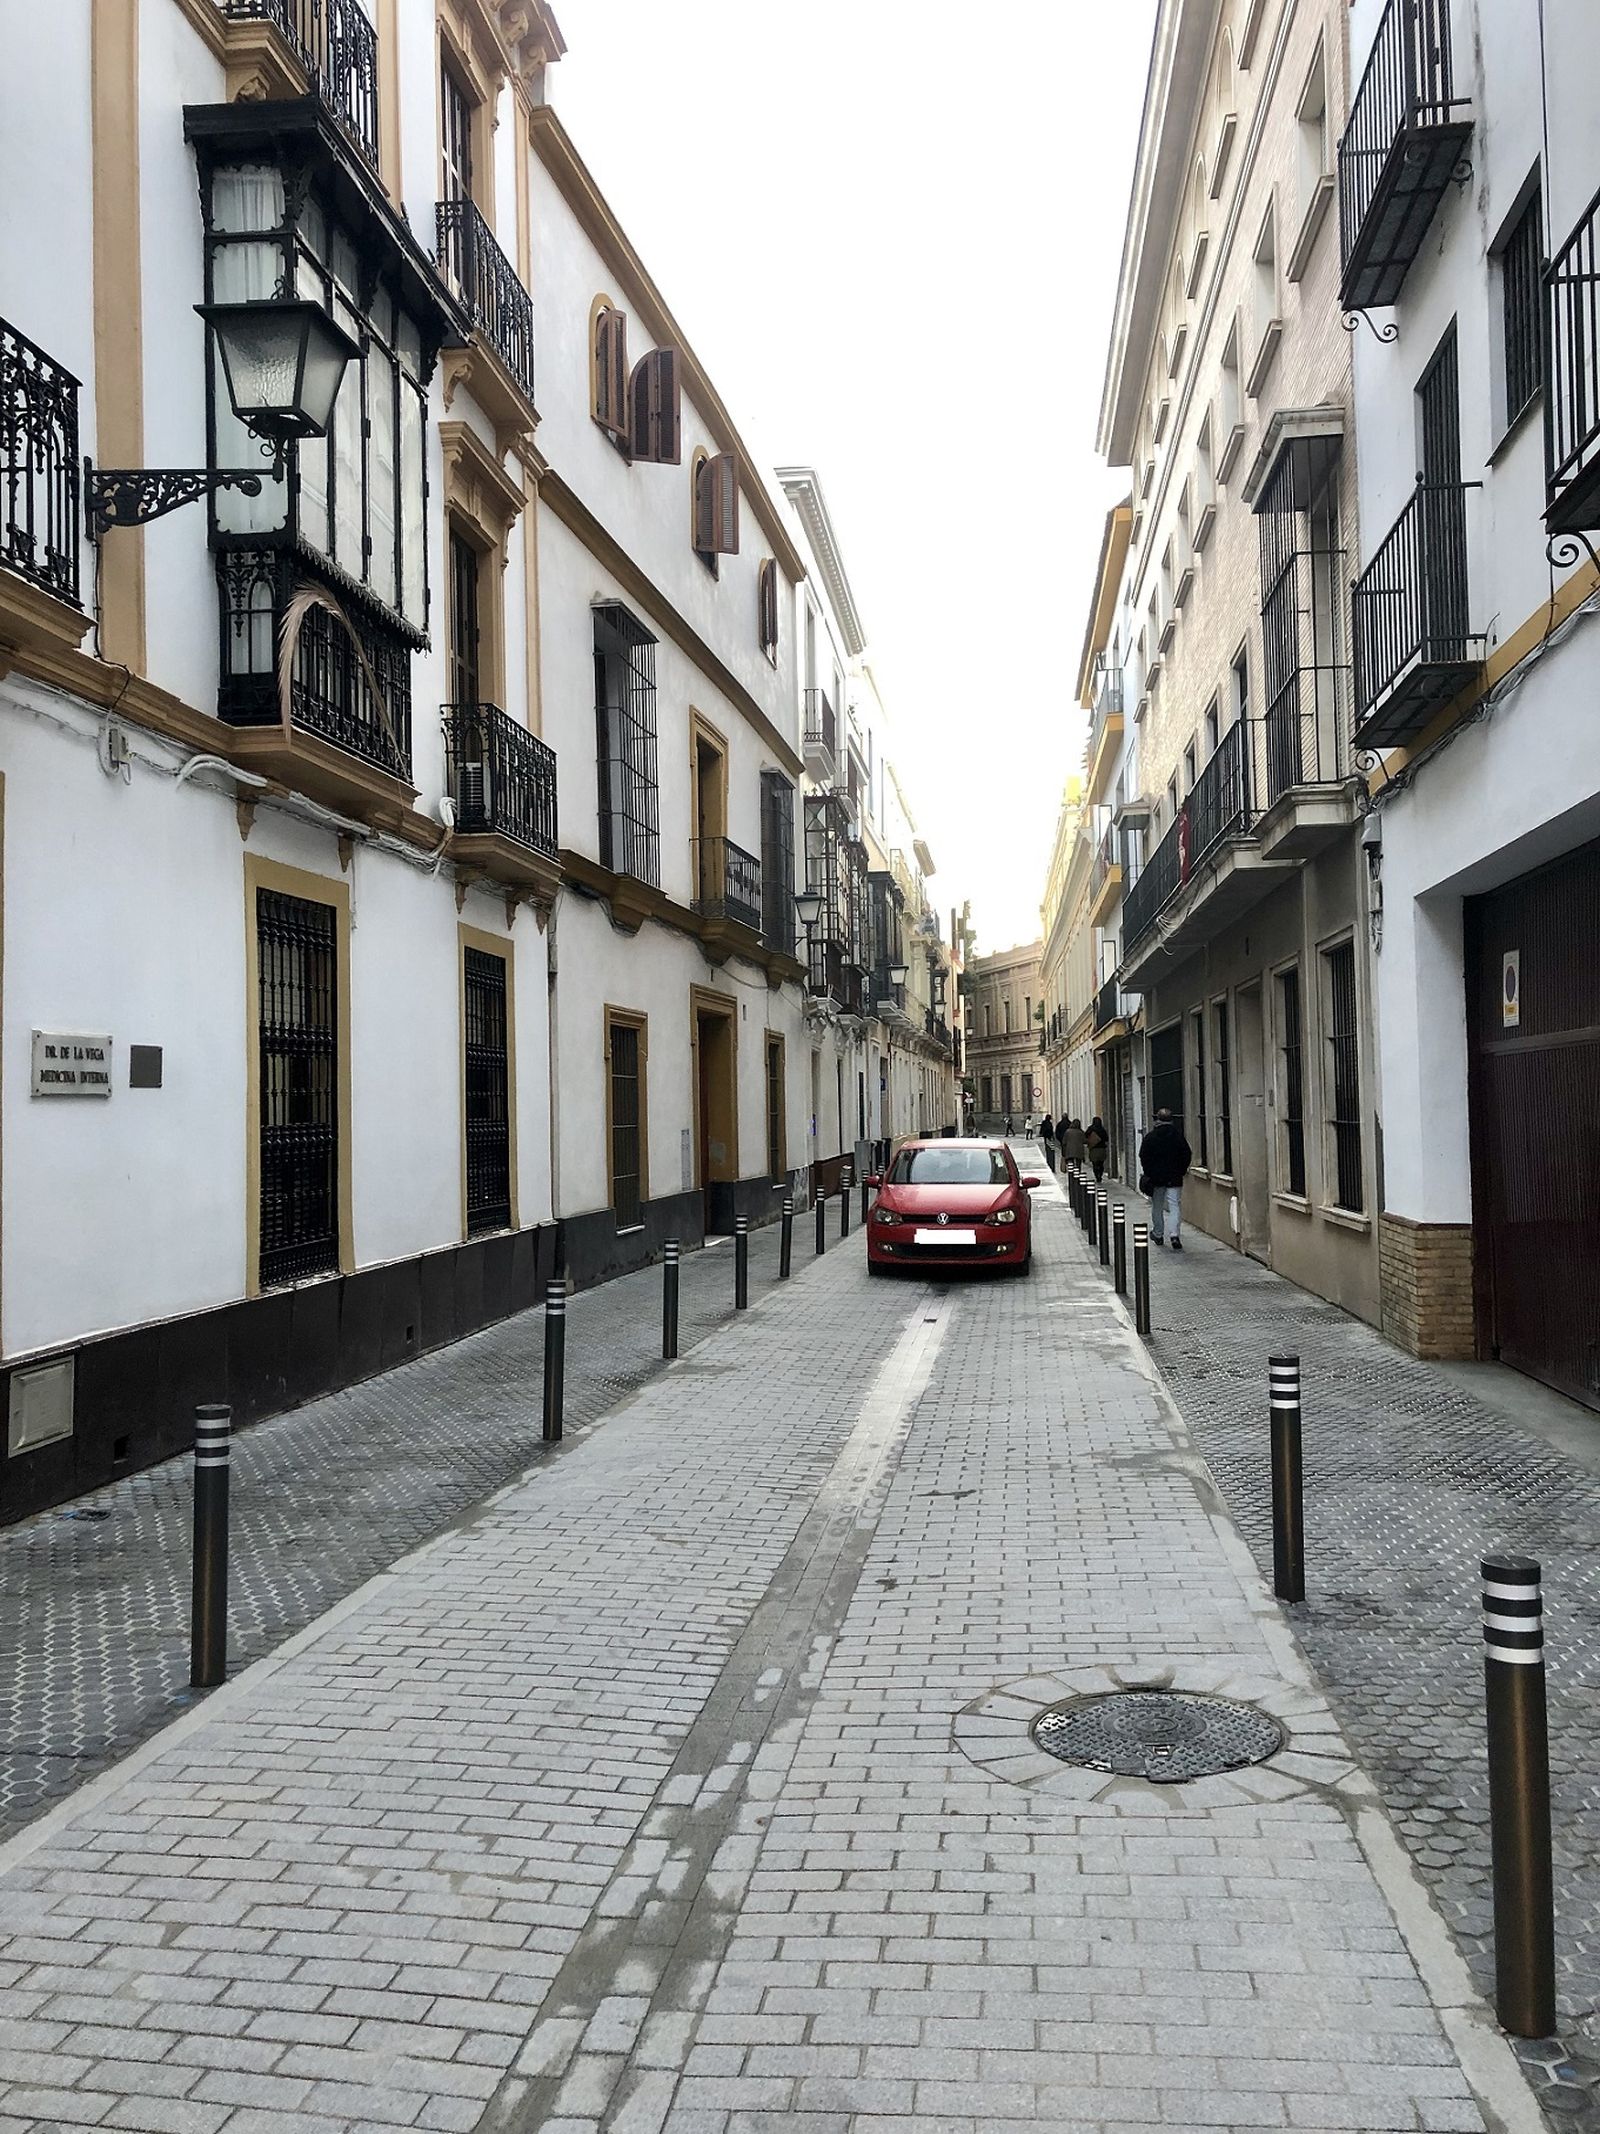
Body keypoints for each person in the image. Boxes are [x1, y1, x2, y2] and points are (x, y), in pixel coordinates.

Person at [1139, 1107, 1193, 1248]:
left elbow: (1143, 1156)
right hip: (1174, 1177)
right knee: (1174, 1205)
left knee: (1157, 1206)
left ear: (1157, 1120)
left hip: (1156, 1178)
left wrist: (1149, 1172)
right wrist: (1181, 1170)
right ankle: (1174, 1235)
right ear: (1171, 1120)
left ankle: (1158, 1233)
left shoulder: (1150, 1137)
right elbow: (1187, 1154)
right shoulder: (1178, 1137)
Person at [1085, 1115, 1109, 1182]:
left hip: (1094, 1149)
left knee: (1094, 1164)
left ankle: (1097, 1175)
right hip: (1101, 1149)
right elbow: (1106, 1138)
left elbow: (1085, 1136)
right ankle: (1100, 1175)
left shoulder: (1090, 1129)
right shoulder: (1102, 1129)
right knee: (1101, 1163)